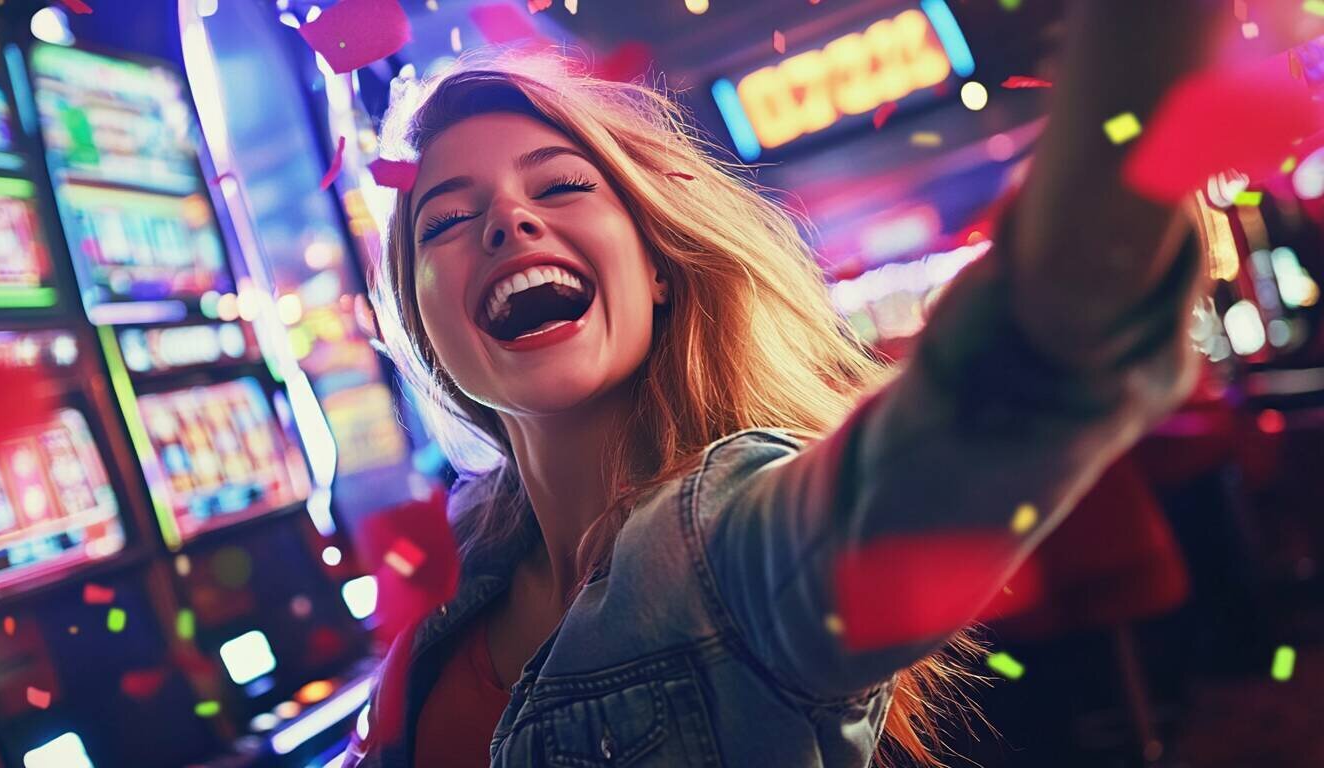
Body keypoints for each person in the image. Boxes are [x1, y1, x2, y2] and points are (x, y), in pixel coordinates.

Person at [347, 3, 1217, 766]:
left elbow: (1037, 350)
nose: (509, 219)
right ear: (424, 328)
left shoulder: (734, 547)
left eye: (563, 185)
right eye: (449, 220)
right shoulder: (451, 574)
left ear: (656, 267)